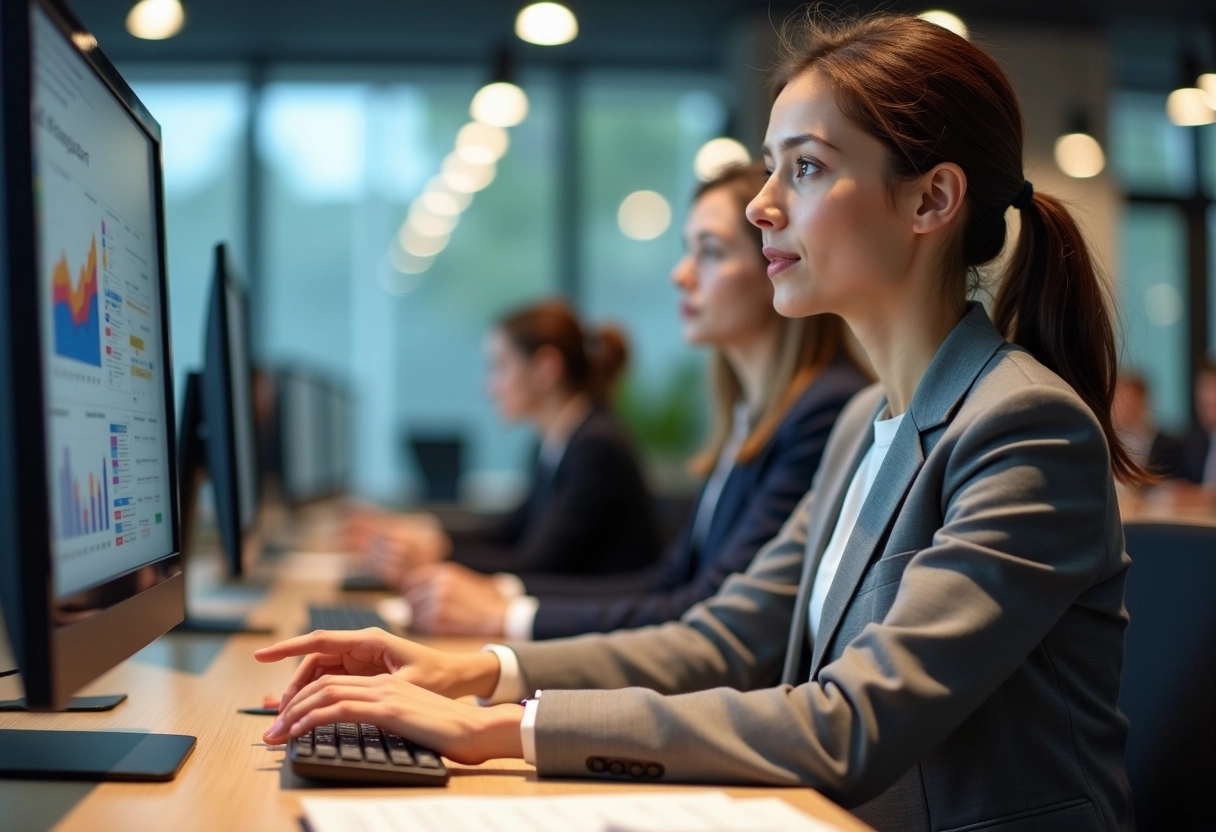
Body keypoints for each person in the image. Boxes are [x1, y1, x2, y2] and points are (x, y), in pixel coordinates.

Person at [256, 14, 1139, 831]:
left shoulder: (1025, 427)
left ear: (929, 200)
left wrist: (501, 728)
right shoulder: (862, 425)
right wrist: (474, 671)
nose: (762, 204)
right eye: (770, 165)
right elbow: (723, 637)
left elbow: (853, 722)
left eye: (805, 167)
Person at [400, 163, 868, 639]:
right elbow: (668, 582)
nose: (681, 275)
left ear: (774, 260)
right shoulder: (750, 419)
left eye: (710, 252)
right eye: (687, 251)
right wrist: (504, 599)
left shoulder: (822, 412)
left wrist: (506, 613)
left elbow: (710, 609)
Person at [350, 300, 662, 581]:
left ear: (546, 368)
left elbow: (538, 565)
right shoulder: (554, 443)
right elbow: (512, 531)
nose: (488, 386)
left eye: (500, 366)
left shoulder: (595, 448)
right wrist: (432, 537)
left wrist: (437, 555)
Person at [1111, 371, 1182, 478]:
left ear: (1142, 401)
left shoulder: (1169, 445)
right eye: (1120, 401)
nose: (1124, 408)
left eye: (1130, 400)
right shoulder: (1107, 442)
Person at [1175, 356, 1216, 493]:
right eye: (1202, 389)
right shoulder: (1196, 441)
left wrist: (1202, 496)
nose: (1207, 398)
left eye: (1212, 387)